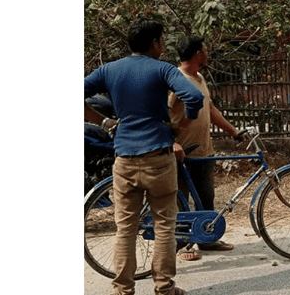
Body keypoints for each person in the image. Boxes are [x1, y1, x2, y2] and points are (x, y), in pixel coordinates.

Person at [83, 18, 204, 295]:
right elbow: (194, 98)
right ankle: (164, 288)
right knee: (164, 226)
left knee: (125, 228)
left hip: (124, 160)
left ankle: (122, 290)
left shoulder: (109, 69)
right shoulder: (163, 70)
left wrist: (103, 122)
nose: (163, 45)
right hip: (159, 159)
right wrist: (180, 126)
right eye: (162, 39)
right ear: (154, 43)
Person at [167, 34, 245, 262]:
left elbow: (210, 109)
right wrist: (172, 143)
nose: (208, 54)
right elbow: (164, 115)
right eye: (206, 51)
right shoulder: (176, 79)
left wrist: (233, 131)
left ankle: (206, 238)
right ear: (198, 54)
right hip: (183, 153)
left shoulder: (199, 77)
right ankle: (183, 243)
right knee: (182, 198)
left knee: (206, 196)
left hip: (204, 152)